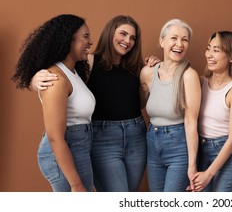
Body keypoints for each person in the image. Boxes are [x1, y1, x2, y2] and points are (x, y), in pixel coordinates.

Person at [31, 15, 159, 192]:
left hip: (135, 133)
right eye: (123, 34)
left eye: (132, 38)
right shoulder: (88, 62)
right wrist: (35, 79)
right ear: (110, 33)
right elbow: (59, 79)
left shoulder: (135, 67)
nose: (127, 40)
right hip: (103, 136)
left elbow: (140, 104)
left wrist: (148, 78)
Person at [12, 14, 95, 192]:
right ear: (68, 39)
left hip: (79, 147)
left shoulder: (73, 72)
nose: (91, 42)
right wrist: (76, 184)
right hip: (65, 150)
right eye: (86, 36)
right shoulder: (56, 79)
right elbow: (55, 137)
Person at [140, 18, 201, 192]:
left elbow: (191, 122)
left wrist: (192, 165)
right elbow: (139, 104)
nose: (179, 44)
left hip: (178, 144)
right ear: (162, 41)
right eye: (174, 38)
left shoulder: (189, 76)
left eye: (185, 39)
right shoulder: (147, 73)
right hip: (152, 140)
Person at [192, 31, 232, 192]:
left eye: (216, 50)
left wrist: (209, 174)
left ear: (231, 57)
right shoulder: (199, 82)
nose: (209, 54)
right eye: (209, 49)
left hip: (227, 154)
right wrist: (157, 64)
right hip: (200, 150)